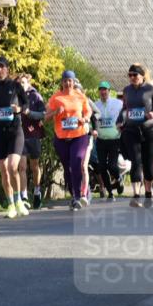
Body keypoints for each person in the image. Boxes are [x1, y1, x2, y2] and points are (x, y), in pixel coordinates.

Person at [0, 56, 28, 218]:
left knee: (12, 166)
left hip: (15, 132)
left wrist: (18, 109)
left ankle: (19, 200)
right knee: (3, 170)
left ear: (7, 69)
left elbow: (26, 104)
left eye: (2, 67)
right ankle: (10, 204)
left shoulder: (15, 86)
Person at [118, 63, 153, 208]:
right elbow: (125, 108)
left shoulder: (151, 89)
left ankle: (148, 195)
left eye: (135, 75)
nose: (132, 78)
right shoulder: (126, 90)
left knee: (147, 163)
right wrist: (120, 120)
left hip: (149, 130)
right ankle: (135, 196)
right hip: (131, 130)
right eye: (130, 75)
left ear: (142, 76)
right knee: (135, 160)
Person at [45, 70, 93, 210]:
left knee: (77, 160)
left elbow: (88, 111)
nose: (67, 83)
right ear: (62, 82)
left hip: (79, 135)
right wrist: (55, 112)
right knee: (68, 168)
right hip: (61, 138)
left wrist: (84, 119)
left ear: (73, 82)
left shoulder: (80, 96)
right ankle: (74, 194)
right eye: (65, 80)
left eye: (70, 80)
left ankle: (78, 196)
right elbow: (46, 117)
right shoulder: (56, 98)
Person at [17, 73, 46, 209]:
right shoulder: (14, 96)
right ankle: (23, 197)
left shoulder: (36, 96)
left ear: (28, 83)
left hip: (33, 135)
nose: (21, 85)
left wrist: (30, 113)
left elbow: (43, 114)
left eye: (23, 82)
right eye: (19, 82)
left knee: (34, 166)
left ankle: (36, 191)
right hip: (19, 135)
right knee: (22, 167)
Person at [94, 81, 124, 200]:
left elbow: (125, 114)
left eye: (105, 89)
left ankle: (119, 178)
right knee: (102, 167)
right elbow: (92, 120)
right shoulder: (96, 105)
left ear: (109, 91)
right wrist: (92, 130)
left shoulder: (118, 103)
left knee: (112, 165)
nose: (103, 92)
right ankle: (110, 192)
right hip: (101, 140)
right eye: (101, 90)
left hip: (114, 139)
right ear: (99, 92)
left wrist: (123, 126)